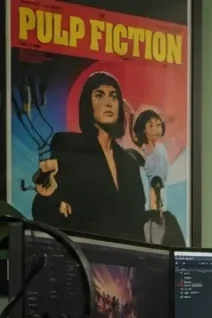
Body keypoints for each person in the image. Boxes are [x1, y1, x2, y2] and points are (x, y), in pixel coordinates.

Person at [32, 71, 147, 243]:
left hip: (124, 256)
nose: (108, 102)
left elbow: (138, 225)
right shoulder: (67, 144)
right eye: (99, 95)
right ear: (88, 104)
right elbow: (45, 213)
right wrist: (49, 197)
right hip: (81, 253)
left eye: (113, 96)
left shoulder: (130, 163)